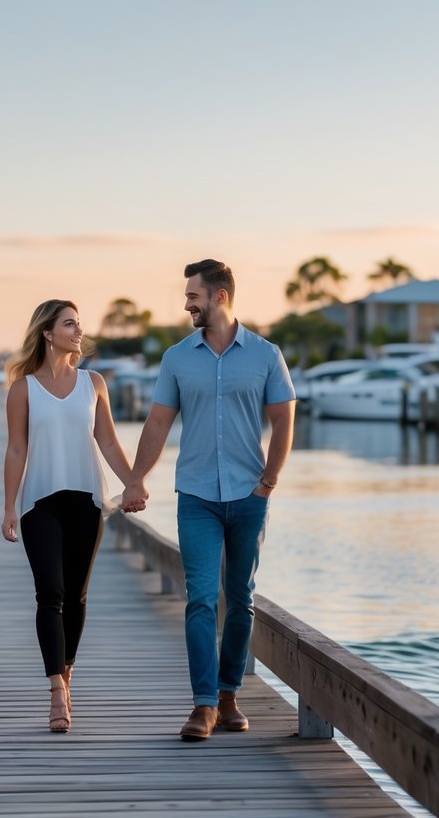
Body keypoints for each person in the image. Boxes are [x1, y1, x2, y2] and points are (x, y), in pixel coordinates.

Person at [122, 259, 295, 741]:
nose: (186, 304)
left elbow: (284, 421)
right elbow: (157, 424)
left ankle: (227, 695)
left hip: (248, 495)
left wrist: (269, 482)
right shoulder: (177, 358)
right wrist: (137, 479)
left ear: (219, 296)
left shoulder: (265, 355)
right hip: (196, 494)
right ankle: (201, 705)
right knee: (200, 598)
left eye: (192, 296)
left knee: (240, 599)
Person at [1, 299, 134, 733]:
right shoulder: (22, 389)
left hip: (86, 501)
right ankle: (58, 690)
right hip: (39, 503)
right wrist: (9, 508)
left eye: (78, 323)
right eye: (69, 323)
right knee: (50, 593)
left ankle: (67, 670)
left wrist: (133, 482)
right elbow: (16, 448)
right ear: (47, 332)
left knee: (76, 597)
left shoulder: (93, 383)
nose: (79, 331)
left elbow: (110, 443)